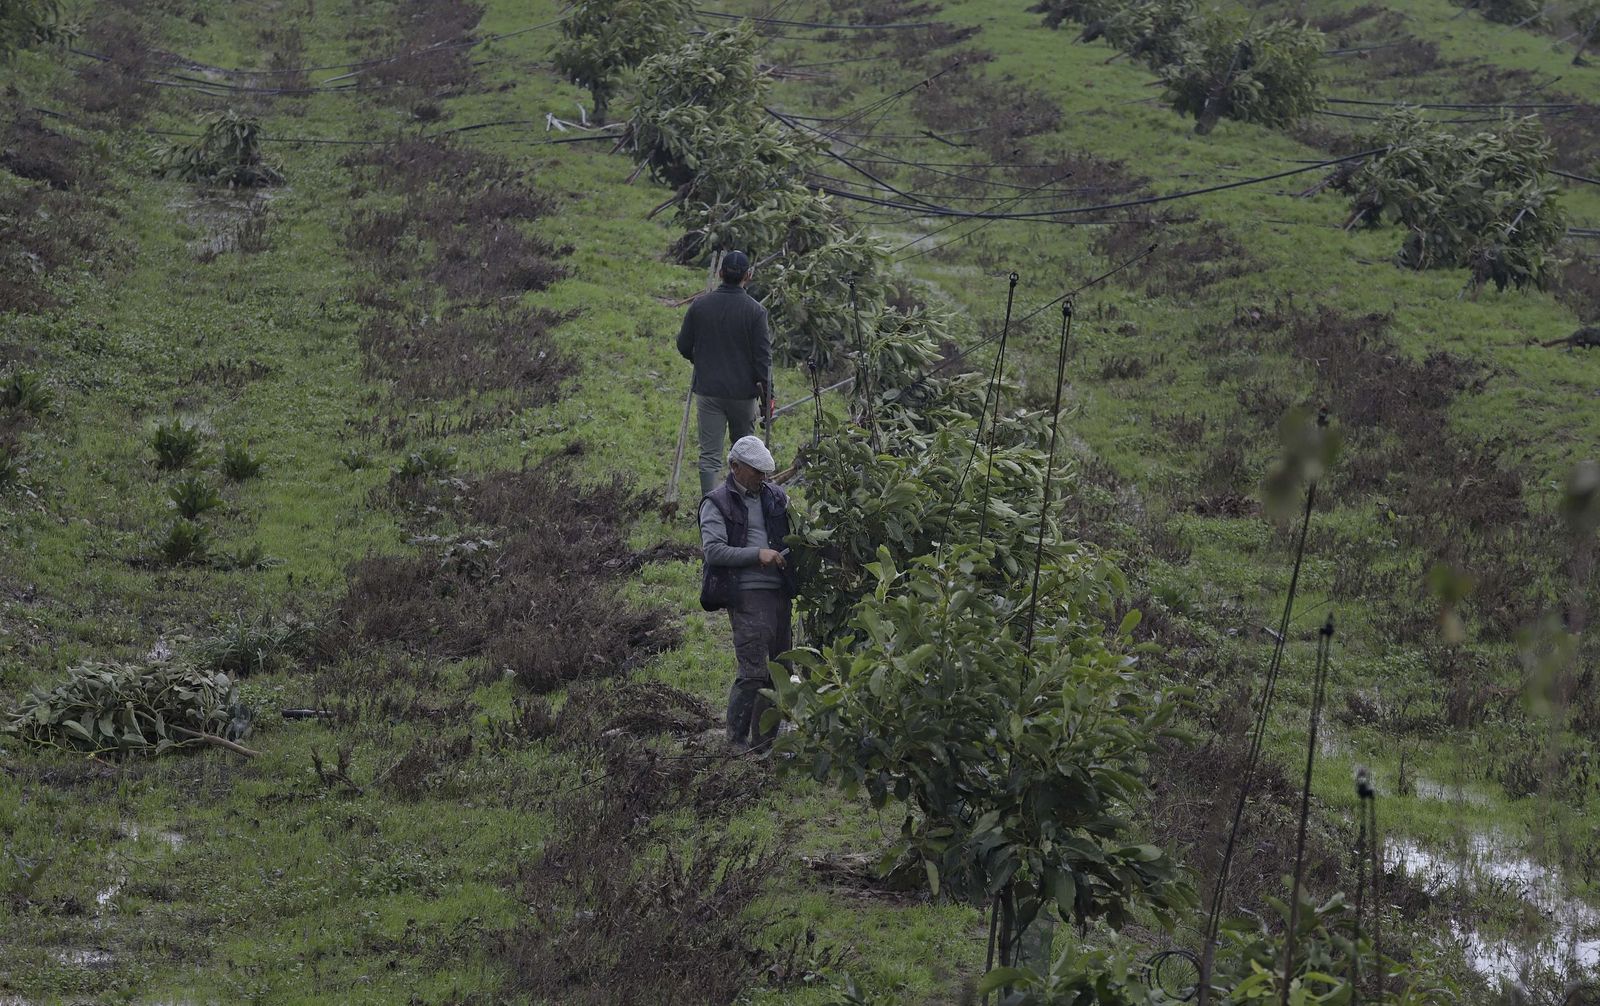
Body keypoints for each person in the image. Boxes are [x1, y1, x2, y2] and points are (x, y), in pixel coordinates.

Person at [698, 435, 795, 752]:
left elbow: (792, 534)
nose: (762, 478)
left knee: (780, 671)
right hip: (747, 593)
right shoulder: (716, 503)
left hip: (779, 593)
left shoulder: (775, 496)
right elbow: (713, 552)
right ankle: (736, 743)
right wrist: (757, 554)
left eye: (765, 472)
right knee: (753, 671)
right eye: (756, 471)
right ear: (735, 467)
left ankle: (764, 745)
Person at [676, 250, 772, 496]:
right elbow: (763, 361)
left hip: (708, 391)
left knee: (709, 455)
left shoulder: (700, 306)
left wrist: (701, 361)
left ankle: (711, 506)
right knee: (744, 452)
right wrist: (768, 397)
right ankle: (740, 504)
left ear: (720, 273)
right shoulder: (756, 312)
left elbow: (683, 345)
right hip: (743, 394)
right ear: (748, 276)